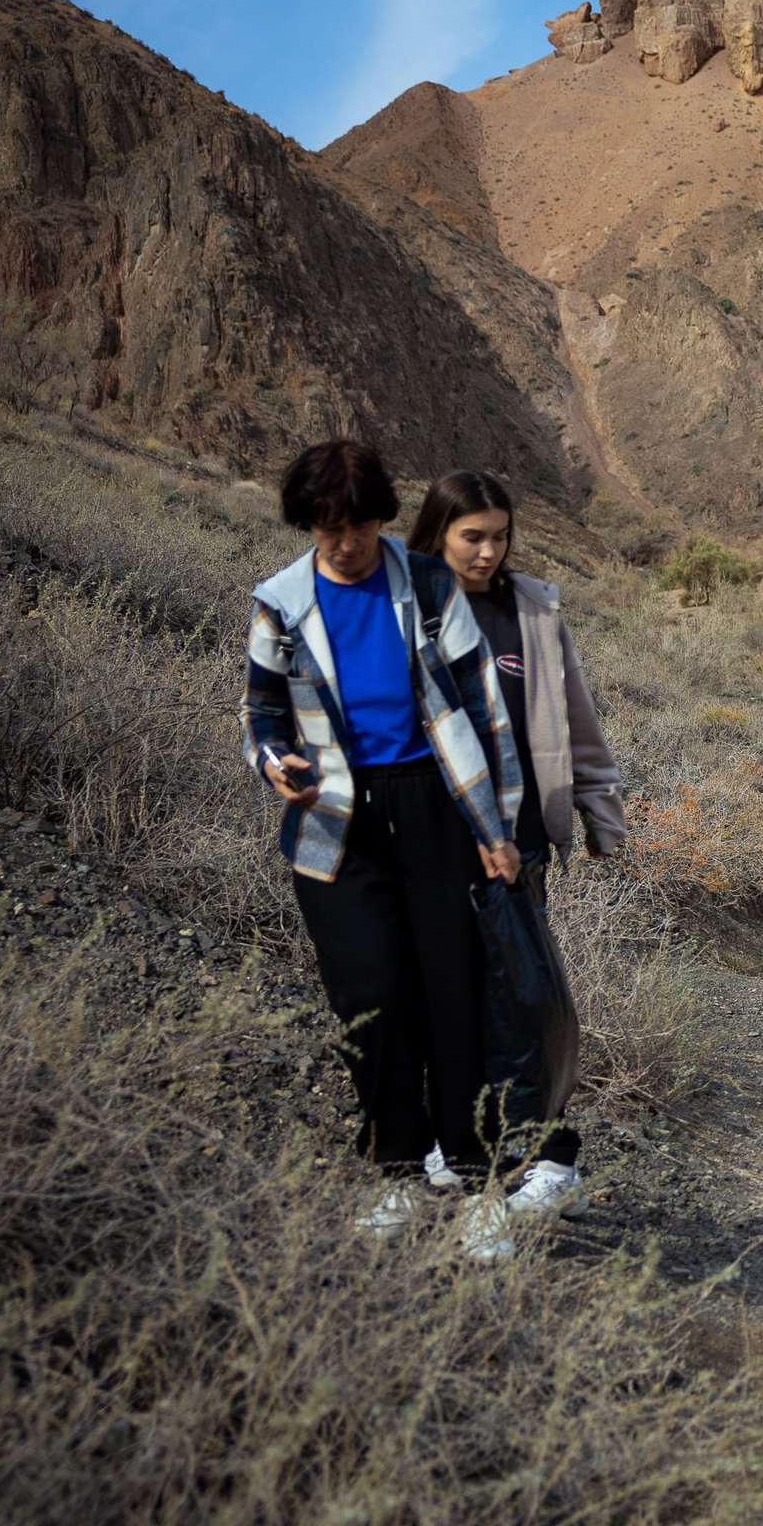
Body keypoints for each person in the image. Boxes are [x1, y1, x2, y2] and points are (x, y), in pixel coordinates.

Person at [245, 440, 523, 1259]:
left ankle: (479, 1184)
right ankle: (396, 1170)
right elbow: (260, 715)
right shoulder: (280, 605)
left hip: (436, 807)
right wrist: (274, 764)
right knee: (370, 1000)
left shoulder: (428, 585)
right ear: (308, 524)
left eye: (360, 525)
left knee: (455, 998)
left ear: (381, 519)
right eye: (329, 527)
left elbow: (484, 708)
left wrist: (498, 829)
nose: (346, 543)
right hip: (336, 822)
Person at [409, 469, 627, 1222]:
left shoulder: (531, 611)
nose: (489, 552)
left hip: (515, 840)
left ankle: (551, 1158)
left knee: (520, 1001)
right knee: (447, 1000)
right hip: (429, 837)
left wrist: (601, 812)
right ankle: (460, 1143)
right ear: (437, 533)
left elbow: (576, 718)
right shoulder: (406, 608)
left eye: (500, 536)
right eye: (473, 536)